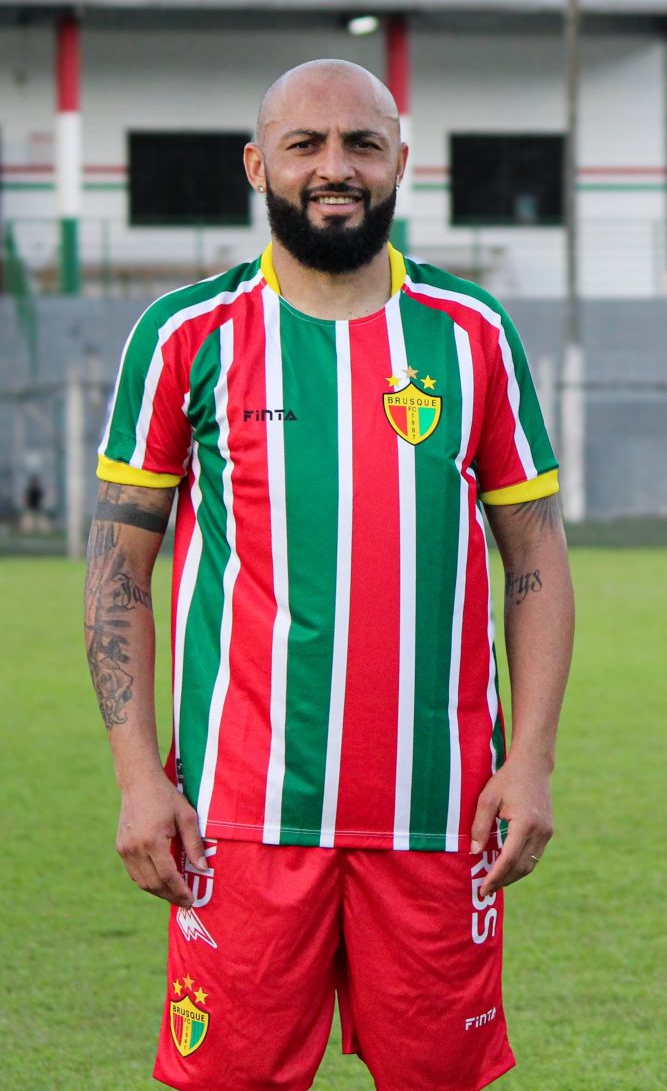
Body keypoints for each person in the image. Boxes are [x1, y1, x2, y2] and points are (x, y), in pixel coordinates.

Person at [84, 59, 574, 1091]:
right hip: (242, 821)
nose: (334, 168)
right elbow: (119, 569)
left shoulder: (472, 332)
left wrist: (527, 761)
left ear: (401, 160)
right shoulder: (186, 336)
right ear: (259, 164)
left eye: (360, 144)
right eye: (305, 145)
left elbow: (533, 557)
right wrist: (138, 778)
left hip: (440, 817)